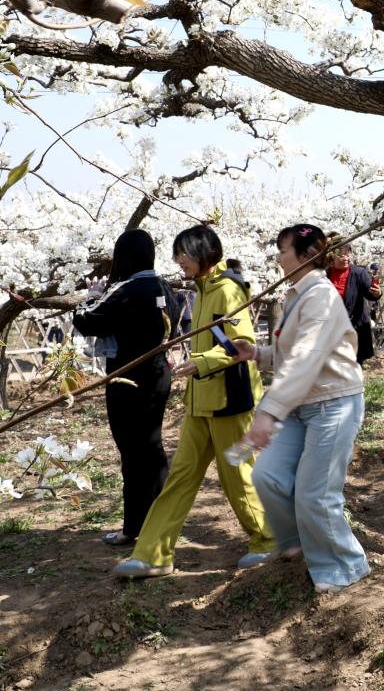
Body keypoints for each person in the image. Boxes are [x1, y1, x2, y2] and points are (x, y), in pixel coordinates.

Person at [112, 225, 274, 578]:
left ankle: (269, 540)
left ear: (203, 252)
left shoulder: (228, 290)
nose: (178, 261)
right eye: (177, 255)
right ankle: (154, 554)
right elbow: (217, 343)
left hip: (230, 399)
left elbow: (242, 344)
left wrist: (202, 363)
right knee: (180, 478)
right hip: (201, 402)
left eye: (182, 254)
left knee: (238, 475)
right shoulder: (202, 290)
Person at [229, 224, 370, 594]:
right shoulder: (298, 293)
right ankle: (297, 542)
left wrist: (268, 413)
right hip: (300, 404)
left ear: (306, 256)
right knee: (267, 476)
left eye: (283, 250)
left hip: (333, 403)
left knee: (316, 494)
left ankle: (345, 568)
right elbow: (292, 354)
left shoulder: (320, 296)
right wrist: (256, 353)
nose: (277, 257)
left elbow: (307, 358)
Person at [72, 230, 180, 546]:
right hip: (159, 374)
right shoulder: (166, 287)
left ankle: (133, 528)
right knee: (153, 448)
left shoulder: (125, 290)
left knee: (132, 452)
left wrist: (91, 296)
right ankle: (162, 523)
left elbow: (87, 320)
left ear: (124, 256)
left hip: (127, 378)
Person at [325, 234, 382, 365]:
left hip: (355, 327)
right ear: (332, 255)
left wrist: (377, 293)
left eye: (348, 254)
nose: (346, 258)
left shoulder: (359, 273)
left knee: (354, 365)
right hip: (332, 327)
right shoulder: (325, 274)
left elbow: (370, 293)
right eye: (341, 255)